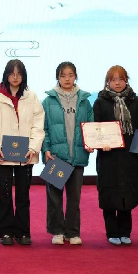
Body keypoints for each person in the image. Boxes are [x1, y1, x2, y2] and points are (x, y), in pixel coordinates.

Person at [0, 59, 45, 246]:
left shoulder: (31, 97)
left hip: (26, 155)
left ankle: (22, 232)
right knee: (3, 194)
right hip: (2, 154)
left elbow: (38, 125)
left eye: (19, 74)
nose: (15, 77)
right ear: (6, 75)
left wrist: (33, 148)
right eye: (12, 73)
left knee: (23, 195)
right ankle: (5, 231)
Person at [91, 65, 138, 246]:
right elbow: (95, 128)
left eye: (121, 79)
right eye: (113, 80)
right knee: (109, 194)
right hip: (108, 157)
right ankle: (112, 232)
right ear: (107, 82)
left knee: (128, 193)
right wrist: (101, 143)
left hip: (130, 157)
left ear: (126, 80)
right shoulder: (100, 102)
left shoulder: (137, 102)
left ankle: (125, 232)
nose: (117, 83)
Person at [41, 62, 93, 245]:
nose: (67, 79)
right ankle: (57, 231)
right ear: (58, 77)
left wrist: (91, 143)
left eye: (71, 75)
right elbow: (43, 128)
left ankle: (73, 232)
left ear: (75, 76)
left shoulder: (84, 100)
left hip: (77, 156)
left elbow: (91, 126)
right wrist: (46, 149)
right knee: (54, 197)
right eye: (63, 75)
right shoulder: (48, 101)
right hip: (56, 156)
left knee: (74, 198)